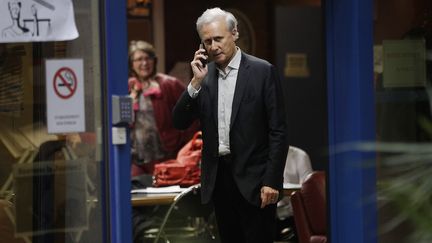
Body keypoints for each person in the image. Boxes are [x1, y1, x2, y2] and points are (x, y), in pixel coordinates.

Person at [172, 7, 287, 243]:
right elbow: (179, 121)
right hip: (219, 181)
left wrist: (272, 181)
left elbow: (278, 131)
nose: (213, 46)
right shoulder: (204, 75)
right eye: (207, 41)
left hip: (256, 183)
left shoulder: (262, 71)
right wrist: (194, 82)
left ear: (234, 34)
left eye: (218, 39)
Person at [128, 40, 198, 176]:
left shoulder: (168, 84)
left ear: (154, 61)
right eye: (139, 59)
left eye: (148, 58)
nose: (144, 63)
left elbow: (192, 113)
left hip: (167, 157)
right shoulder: (128, 87)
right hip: (137, 159)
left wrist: (185, 147)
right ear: (132, 64)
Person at [276, 146, 313, 241]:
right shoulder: (257, 156)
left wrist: (283, 212)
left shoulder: (300, 156)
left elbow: (307, 193)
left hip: (291, 216)